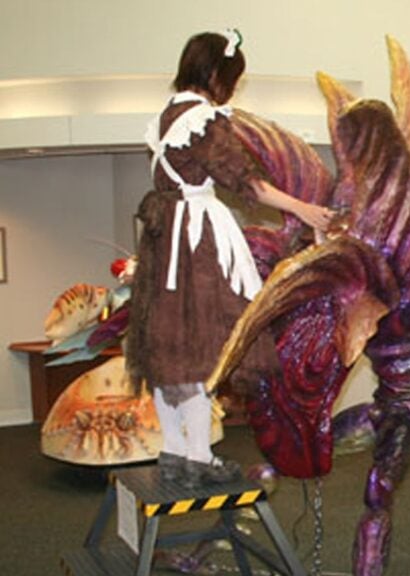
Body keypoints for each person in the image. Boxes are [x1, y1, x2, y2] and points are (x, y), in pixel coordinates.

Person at [127, 29, 333, 488]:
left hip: (165, 239)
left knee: (168, 345)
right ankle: (199, 457)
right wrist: (303, 208)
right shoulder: (203, 119)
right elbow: (246, 182)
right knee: (204, 346)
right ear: (218, 75)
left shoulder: (163, 119)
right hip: (196, 240)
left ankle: (174, 451)